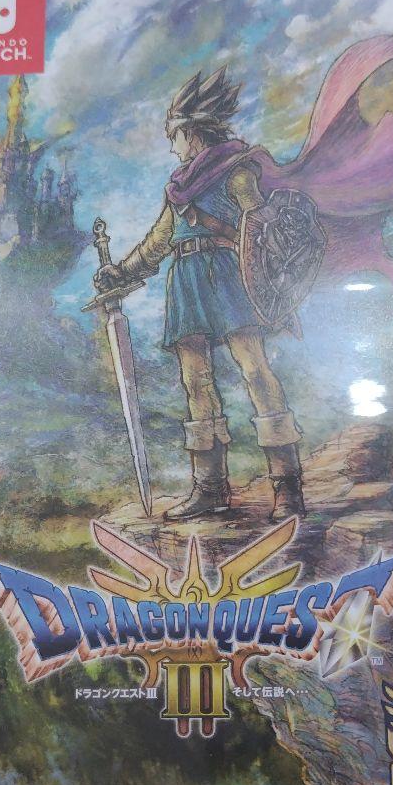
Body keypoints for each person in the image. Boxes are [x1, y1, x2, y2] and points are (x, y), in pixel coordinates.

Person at [94, 68, 304, 523]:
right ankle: (210, 488)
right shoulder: (178, 188)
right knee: (196, 382)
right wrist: (120, 271)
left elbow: (262, 230)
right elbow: (159, 241)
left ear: (191, 132)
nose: (173, 147)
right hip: (186, 281)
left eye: (174, 136)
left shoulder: (238, 171)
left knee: (255, 370)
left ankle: (287, 485)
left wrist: (248, 236)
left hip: (228, 276)